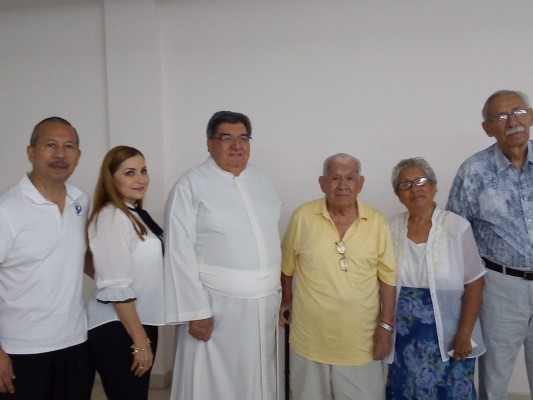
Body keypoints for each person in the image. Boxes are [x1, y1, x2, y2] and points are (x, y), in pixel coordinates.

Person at [164, 111, 282, 400]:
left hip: (264, 304)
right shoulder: (190, 184)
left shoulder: (262, 180)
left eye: (243, 138)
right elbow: (178, 251)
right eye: (226, 138)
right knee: (213, 385)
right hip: (215, 308)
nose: (236, 145)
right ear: (209, 143)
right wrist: (195, 312)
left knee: (260, 380)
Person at [280, 153, 396, 400]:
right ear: (322, 183)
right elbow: (286, 267)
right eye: (334, 178)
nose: (342, 185)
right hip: (309, 342)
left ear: (360, 183)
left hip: (360, 344)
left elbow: (388, 278)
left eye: (349, 178)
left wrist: (386, 326)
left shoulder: (376, 222)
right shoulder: (302, 217)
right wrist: (287, 299)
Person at [447, 90, 533, 399]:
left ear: (531, 116)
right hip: (500, 286)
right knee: (495, 377)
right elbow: (454, 236)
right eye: (500, 117)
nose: (512, 121)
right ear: (487, 128)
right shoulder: (473, 172)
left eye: (518, 112)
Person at [0, 117, 93, 399]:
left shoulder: (81, 200)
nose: (60, 154)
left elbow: (79, 257)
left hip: (75, 343)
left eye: (69, 146)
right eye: (50, 145)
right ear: (31, 152)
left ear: (78, 155)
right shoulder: (7, 209)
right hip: (20, 350)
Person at [386, 157, 485, 399]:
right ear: (398, 194)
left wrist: (464, 334)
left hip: (450, 334)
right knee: (406, 390)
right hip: (404, 337)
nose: (415, 188)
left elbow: (474, 283)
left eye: (420, 181)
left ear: (434, 186)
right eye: (405, 185)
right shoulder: (389, 228)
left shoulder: (456, 227)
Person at [86, 146, 165, 400]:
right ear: (111, 178)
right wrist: (140, 342)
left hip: (139, 321)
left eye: (143, 171)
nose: (140, 179)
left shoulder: (135, 214)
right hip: (118, 328)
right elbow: (116, 285)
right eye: (130, 172)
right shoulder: (111, 218)